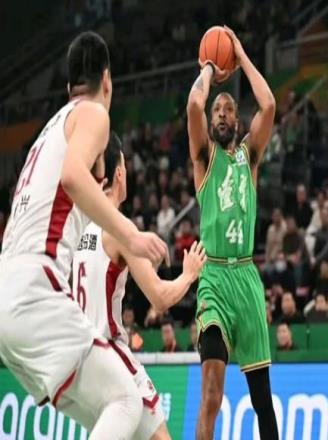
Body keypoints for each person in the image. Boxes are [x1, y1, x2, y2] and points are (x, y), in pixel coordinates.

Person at [0, 31, 168, 439]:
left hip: (9, 295)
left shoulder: (48, 132)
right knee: (126, 399)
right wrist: (130, 235)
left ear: (67, 86)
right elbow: (73, 177)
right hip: (37, 288)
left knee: (115, 418)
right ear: (107, 79)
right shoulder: (93, 113)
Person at [72, 133, 205, 438]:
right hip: (110, 355)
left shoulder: (80, 228)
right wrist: (188, 274)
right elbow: (160, 298)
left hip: (80, 359)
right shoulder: (119, 229)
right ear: (119, 173)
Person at [186, 26, 278, 439]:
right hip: (214, 281)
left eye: (228, 109)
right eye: (217, 110)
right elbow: (194, 103)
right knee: (211, 395)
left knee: (262, 400)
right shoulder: (204, 159)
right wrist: (210, 66)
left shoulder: (249, 157)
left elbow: (269, 103)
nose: (221, 113)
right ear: (211, 122)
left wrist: (239, 53)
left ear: (237, 121)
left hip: (247, 278)